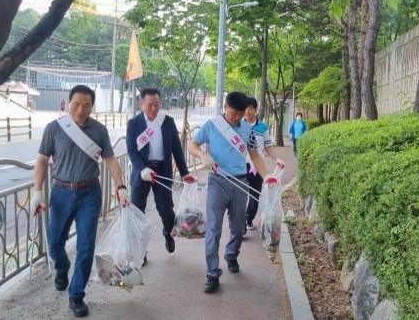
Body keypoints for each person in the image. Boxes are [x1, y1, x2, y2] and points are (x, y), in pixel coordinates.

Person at [30, 85, 129, 317]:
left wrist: (120, 186)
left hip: (89, 193)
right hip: (61, 192)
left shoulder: (99, 130)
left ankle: (76, 295)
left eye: (86, 105)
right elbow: (42, 160)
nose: (81, 109)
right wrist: (37, 191)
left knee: (86, 246)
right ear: (67, 103)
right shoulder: (54, 128)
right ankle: (62, 268)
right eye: (76, 104)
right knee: (55, 243)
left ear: (92, 106)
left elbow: (111, 159)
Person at [188, 92, 278, 293]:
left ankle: (231, 254)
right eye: (234, 113)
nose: (237, 117)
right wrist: (202, 154)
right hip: (217, 183)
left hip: (240, 183)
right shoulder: (212, 125)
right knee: (213, 228)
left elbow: (254, 155)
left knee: (238, 228)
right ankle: (212, 273)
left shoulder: (247, 129)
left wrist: (267, 176)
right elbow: (192, 145)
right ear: (225, 107)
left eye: (240, 113)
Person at [126, 87, 196, 258]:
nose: (154, 109)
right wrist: (142, 169)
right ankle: (140, 251)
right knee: (138, 212)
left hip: (162, 170)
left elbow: (176, 150)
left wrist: (185, 172)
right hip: (141, 170)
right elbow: (131, 150)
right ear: (141, 104)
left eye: (157, 105)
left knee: (166, 210)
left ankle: (167, 232)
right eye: (149, 105)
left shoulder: (167, 122)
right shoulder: (134, 124)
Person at [243, 97, 284, 231]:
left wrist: (276, 159)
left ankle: (248, 218)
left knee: (255, 194)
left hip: (257, 166)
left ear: (255, 110)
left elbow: (268, 147)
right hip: (241, 165)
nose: (247, 112)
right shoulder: (238, 125)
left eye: (250, 109)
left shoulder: (263, 127)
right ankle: (240, 224)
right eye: (245, 109)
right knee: (239, 194)